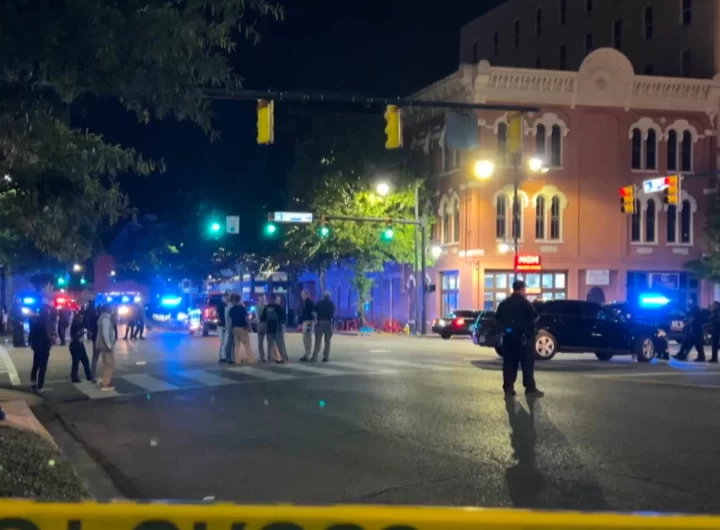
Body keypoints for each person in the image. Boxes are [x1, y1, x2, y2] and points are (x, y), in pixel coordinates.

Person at [495, 280, 543, 398]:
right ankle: (530, 388)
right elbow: (535, 317)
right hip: (523, 339)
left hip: (508, 338)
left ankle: (508, 389)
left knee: (509, 364)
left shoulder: (504, 303)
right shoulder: (526, 304)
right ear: (522, 289)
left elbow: (497, 318)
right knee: (527, 364)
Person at [28, 308, 52, 392]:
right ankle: (40, 386)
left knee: (35, 365)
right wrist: (51, 341)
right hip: (44, 347)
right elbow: (47, 335)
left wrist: (31, 343)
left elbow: (32, 333)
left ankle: (33, 383)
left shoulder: (36, 321)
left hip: (37, 347)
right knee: (42, 367)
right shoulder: (45, 323)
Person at [261, 294, 289, 364]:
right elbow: (283, 318)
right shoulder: (278, 307)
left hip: (269, 329)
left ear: (270, 299)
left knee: (270, 345)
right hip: (277, 329)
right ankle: (284, 358)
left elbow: (263, 319)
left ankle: (270, 359)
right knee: (281, 344)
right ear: (275, 299)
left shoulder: (266, 307)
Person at [94, 304, 117, 391]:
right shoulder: (106, 319)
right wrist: (109, 345)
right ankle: (105, 384)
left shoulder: (103, 317)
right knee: (109, 364)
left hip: (103, 345)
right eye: (111, 307)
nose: (112, 309)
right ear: (107, 309)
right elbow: (105, 333)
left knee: (106, 364)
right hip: (106, 346)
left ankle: (104, 380)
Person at [229, 295, 255, 364]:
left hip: (235, 328)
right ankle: (252, 359)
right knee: (247, 344)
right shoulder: (242, 309)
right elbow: (246, 318)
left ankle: (237, 360)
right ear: (239, 300)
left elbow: (230, 320)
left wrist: (231, 329)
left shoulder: (232, 309)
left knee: (236, 345)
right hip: (242, 328)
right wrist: (249, 327)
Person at [312, 291, 335, 362]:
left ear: (323, 296)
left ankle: (314, 356)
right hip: (328, 323)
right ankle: (326, 357)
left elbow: (314, 312)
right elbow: (333, 314)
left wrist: (315, 319)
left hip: (320, 322)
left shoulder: (319, 303)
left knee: (318, 340)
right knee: (327, 341)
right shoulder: (332, 304)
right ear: (329, 296)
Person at [69, 312, 93, 383]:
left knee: (85, 360)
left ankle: (88, 375)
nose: (81, 319)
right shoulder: (74, 326)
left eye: (81, 318)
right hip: (75, 345)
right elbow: (74, 336)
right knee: (76, 362)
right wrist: (81, 333)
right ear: (76, 318)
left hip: (80, 344)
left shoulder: (80, 324)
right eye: (79, 318)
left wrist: (87, 333)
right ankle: (74, 376)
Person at [298, 289, 316, 361]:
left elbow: (306, 313)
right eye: (301, 294)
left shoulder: (308, 303)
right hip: (307, 322)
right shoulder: (305, 303)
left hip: (308, 322)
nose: (302, 296)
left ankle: (307, 354)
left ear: (307, 294)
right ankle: (307, 354)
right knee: (306, 338)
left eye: (303, 294)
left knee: (307, 338)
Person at [256, 294, 268, 362]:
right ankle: (262, 357)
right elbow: (258, 316)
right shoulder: (257, 307)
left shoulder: (268, 306)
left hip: (268, 325)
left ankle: (271, 356)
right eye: (262, 298)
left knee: (271, 342)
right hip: (260, 325)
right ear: (259, 299)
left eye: (264, 298)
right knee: (260, 342)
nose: (263, 299)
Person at [218, 292, 229, 363]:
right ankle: (222, 357)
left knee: (223, 342)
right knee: (223, 342)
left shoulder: (224, 305)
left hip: (223, 325)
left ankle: (222, 356)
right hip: (222, 326)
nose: (227, 299)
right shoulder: (222, 305)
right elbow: (219, 315)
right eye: (227, 298)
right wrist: (223, 324)